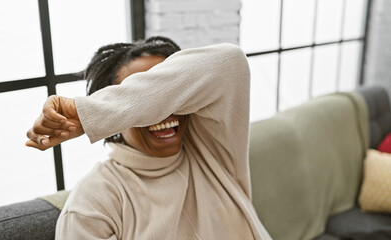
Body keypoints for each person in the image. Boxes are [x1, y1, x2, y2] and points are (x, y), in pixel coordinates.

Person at [26, 36, 272, 240]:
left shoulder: (210, 150)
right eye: (144, 103)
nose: (163, 111)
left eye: (168, 95)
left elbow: (229, 61)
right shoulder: (94, 203)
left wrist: (90, 112)